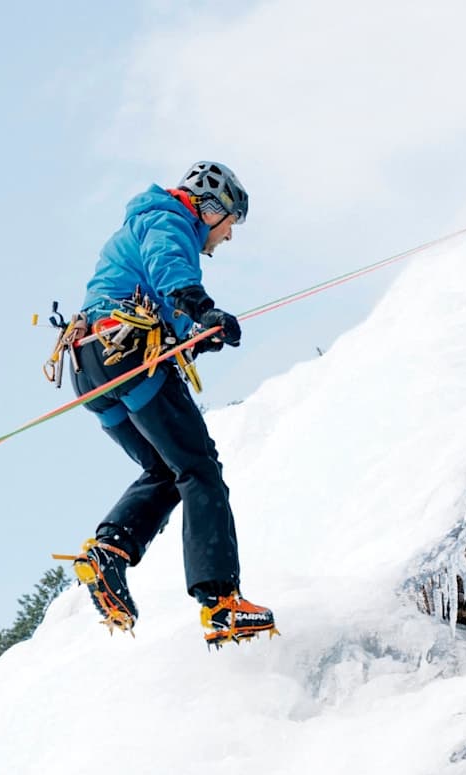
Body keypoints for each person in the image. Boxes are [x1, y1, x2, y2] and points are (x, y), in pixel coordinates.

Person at [65, 161, 276, 648]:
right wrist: (203, 309)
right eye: (230, 223)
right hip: (125, 352)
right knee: (199, 468)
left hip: (91, 367)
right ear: (213, 208)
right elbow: (169, 269)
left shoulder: (141, 226)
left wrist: (201, 334)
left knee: (166, 469)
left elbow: (165, 303)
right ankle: (221, 602)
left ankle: (109, 552)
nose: (228, 236)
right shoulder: (168, 218)